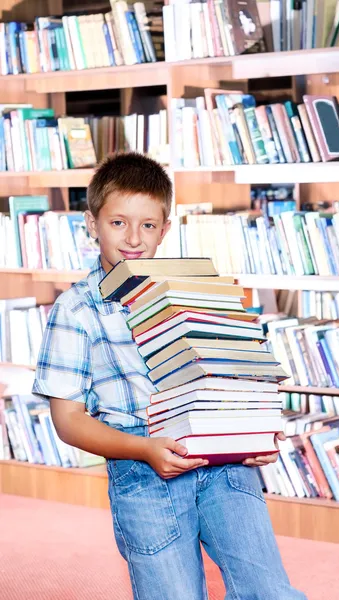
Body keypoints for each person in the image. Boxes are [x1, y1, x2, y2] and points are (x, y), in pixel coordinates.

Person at [32, 152, 307, 600]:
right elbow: (69, 420)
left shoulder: (198, 288)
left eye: (148, 224)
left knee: (270, 591)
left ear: (166, 227)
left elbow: (239, 377)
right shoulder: (75, 310)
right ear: (91, 223)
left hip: (224, 465)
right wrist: (144, 448)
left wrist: (251, 434)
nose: (134, 238)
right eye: (118, 222)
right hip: (144, 473)